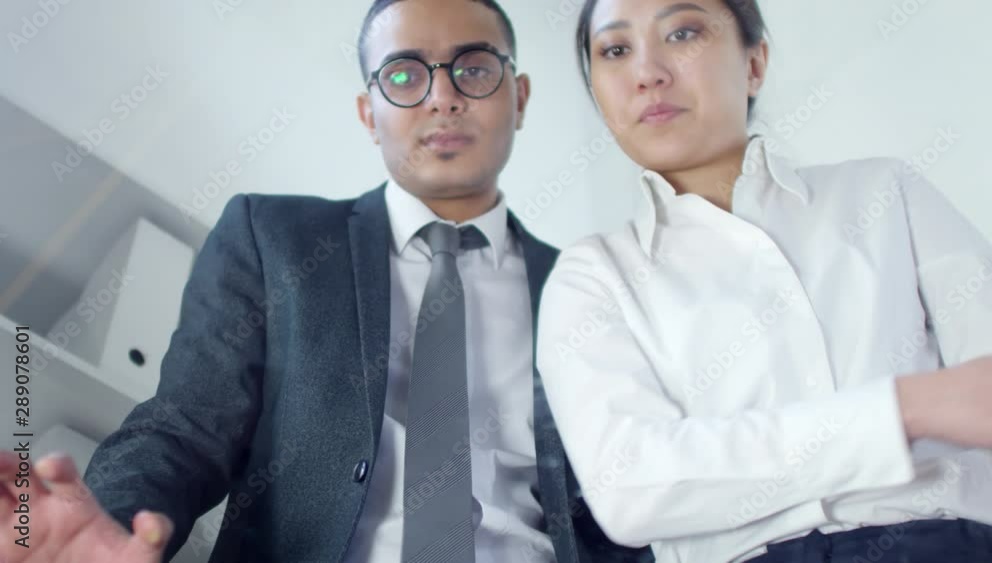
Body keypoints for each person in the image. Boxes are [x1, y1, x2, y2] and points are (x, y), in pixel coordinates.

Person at [0, 1, 653, 562]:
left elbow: (628, 503)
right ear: (370, 113)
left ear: (520, 96)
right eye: (404, 74)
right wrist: (108, 526)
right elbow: (183, 429)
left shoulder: (589, 287)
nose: (442, 95)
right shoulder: (273, 237)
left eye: (474, 68)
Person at [535, 0, 992, 562]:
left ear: (754, 63)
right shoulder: (591, 278)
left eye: (682, 33)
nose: (647, 72)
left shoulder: (885, 194)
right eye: (615, 50)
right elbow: (633, 490)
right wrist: (903, 409)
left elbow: (989, 395)